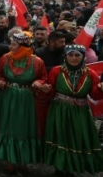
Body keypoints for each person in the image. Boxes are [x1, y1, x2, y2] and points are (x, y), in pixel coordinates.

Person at [43, 44, 103, 176]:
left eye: (77, 55)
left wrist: (100, 89)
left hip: (80, 113)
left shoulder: (90, 73)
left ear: (83, 57)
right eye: (70, 55)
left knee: (76, 138)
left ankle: (71, 169)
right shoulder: (56, 71)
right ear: (65, 56)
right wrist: (46, 90)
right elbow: (50, 91)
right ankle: (59, 168)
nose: (74, 58)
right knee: (60, 137)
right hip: (59, 110)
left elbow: (94, 95)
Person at [0, 32, 48, 176]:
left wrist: (39, 82)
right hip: (8, 97)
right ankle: (10, 162)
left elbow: (43, 77)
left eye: (13, 44)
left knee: (25, 129)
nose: (10, 46)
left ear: (23, 46)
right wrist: (1, 81)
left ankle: (23, 162)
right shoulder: (4, 59)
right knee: (8, 127)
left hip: (27, 100)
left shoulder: (37, 62)